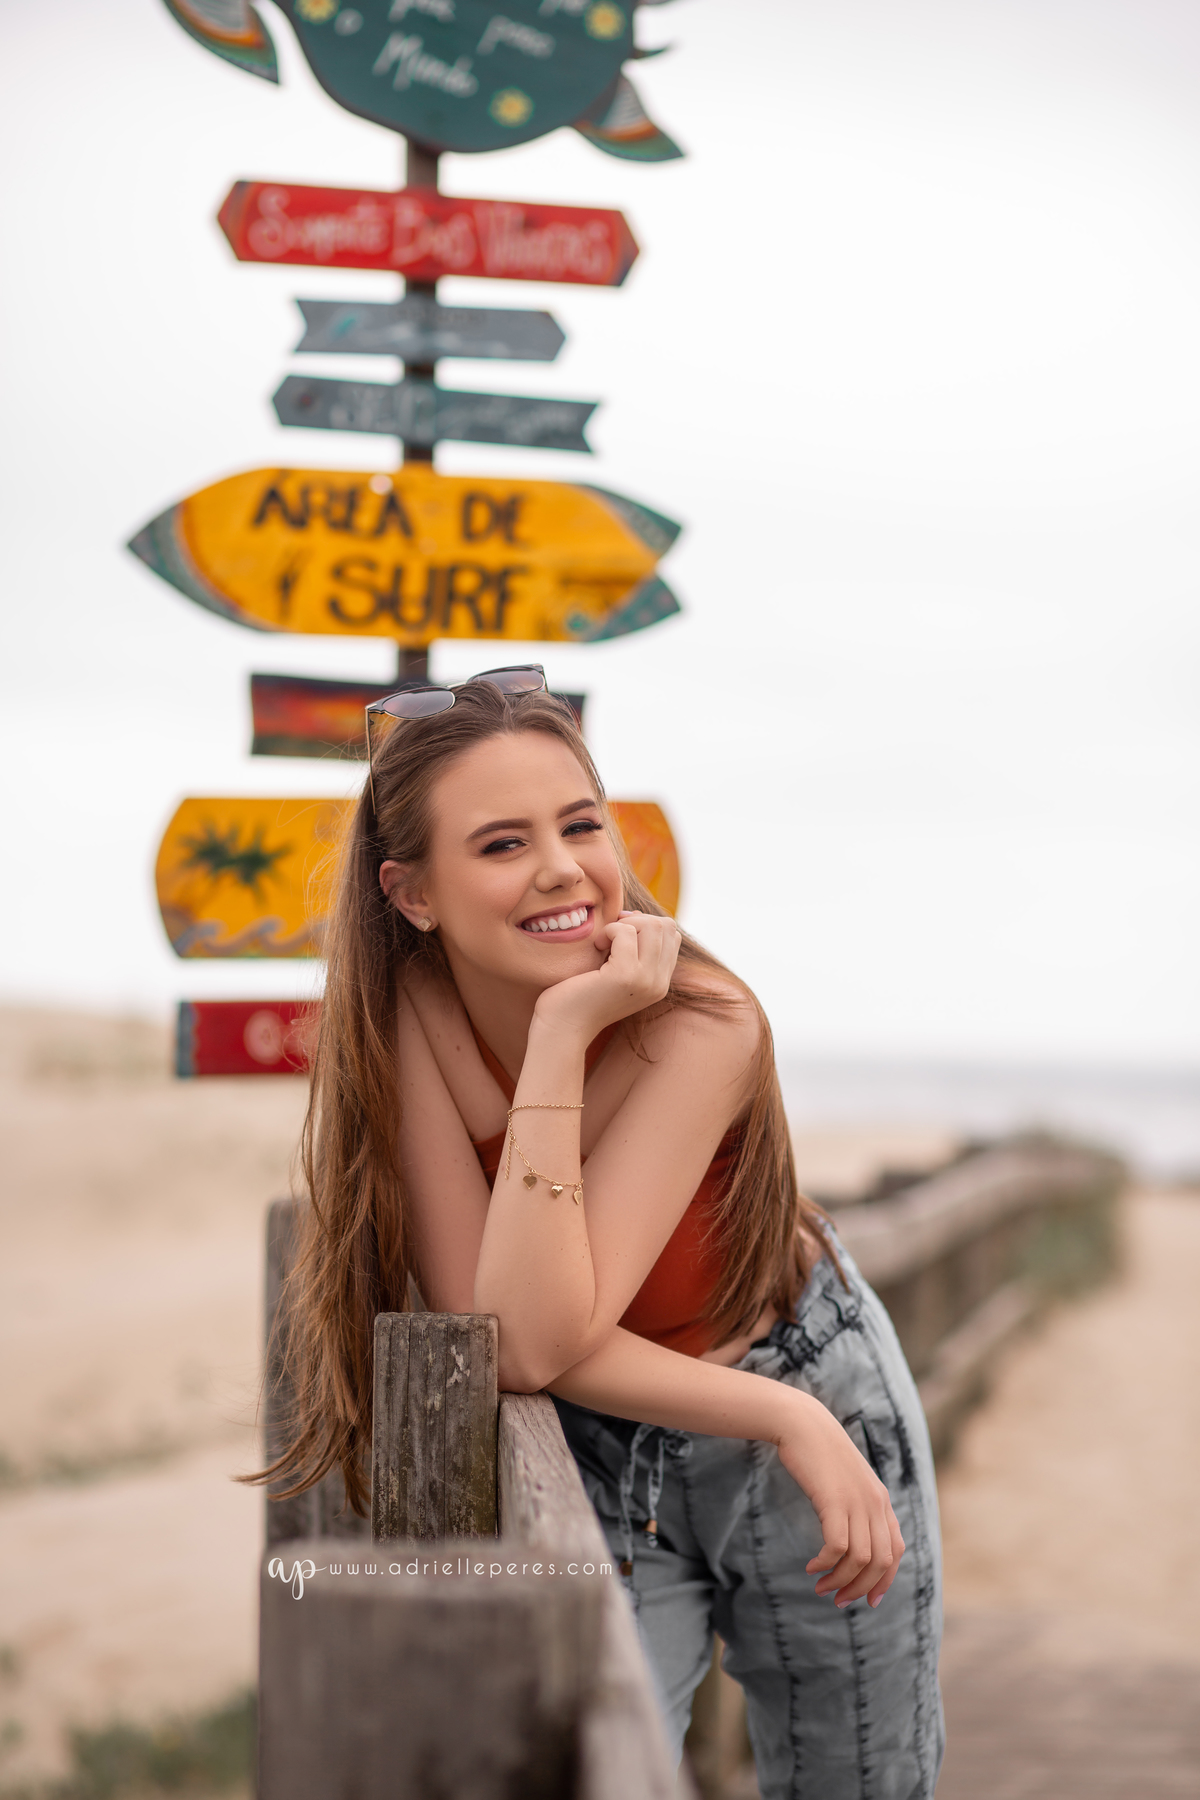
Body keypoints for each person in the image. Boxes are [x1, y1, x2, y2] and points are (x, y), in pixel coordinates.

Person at [255, 666, 944, 1798]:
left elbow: (535, 1330)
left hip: (807, 1380)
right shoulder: (411, 1016)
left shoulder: (708, 1024)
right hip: (611, 1439)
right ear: (411, 893)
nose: (564, 867)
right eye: (501, 844)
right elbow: (524, 1342)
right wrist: (566, 1033)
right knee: (592, 1768)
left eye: (582, 823)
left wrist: (800, 1410)